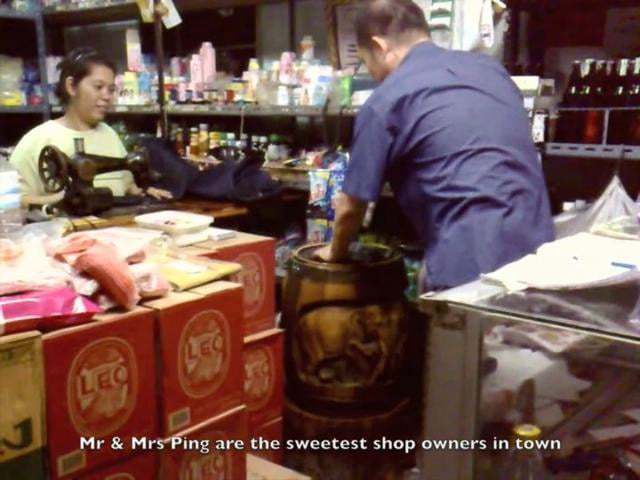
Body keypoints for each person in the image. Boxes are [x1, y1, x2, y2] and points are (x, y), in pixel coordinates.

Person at [315, 0, 554, 291]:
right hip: (539, 253)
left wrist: (334, 252)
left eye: (367, 63)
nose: (373, 74)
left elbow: (352, 206)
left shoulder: (385, 101)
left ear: (379, 46)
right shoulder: (490, 70)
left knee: (451, 330)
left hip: (469, 269)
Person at [9, 47, 171, 207]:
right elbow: (11, 201)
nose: (107, 96)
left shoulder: (109, 134)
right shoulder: (38, 139)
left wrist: (141, 192)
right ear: (71, 86)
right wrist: (60, 201)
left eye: (111, 89)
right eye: (98, 87)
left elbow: (124, 185)